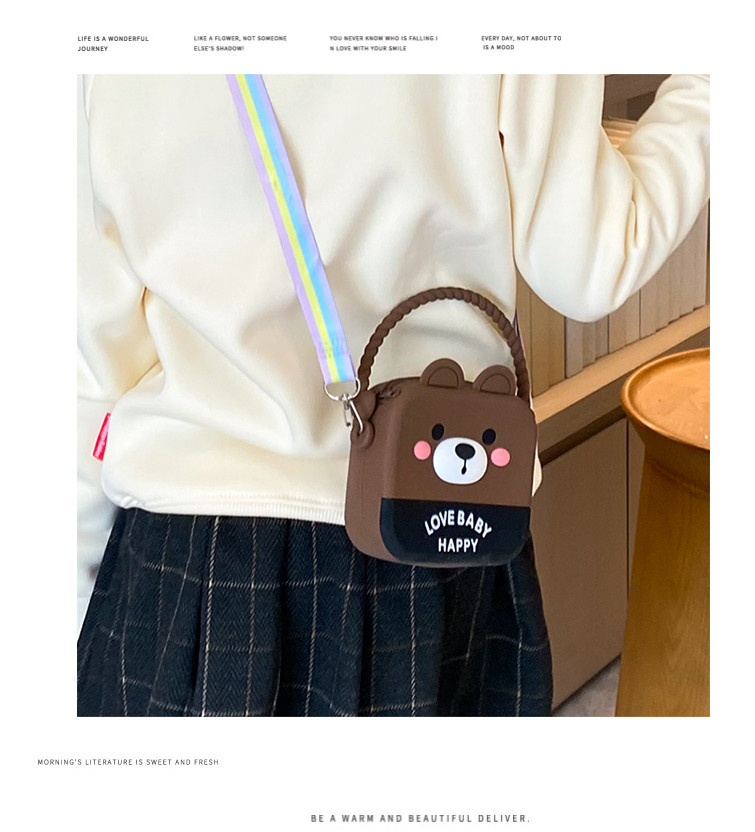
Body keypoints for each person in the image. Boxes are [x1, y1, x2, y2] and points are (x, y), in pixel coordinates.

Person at [77, 74, 710, 717]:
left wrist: (74, 599)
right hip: (430, 538)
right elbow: (591, 262)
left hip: (180, 560)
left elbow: (91, 368)